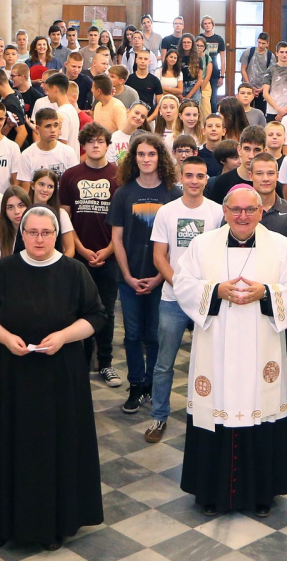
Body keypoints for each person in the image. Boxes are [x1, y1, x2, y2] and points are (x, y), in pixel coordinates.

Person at [0, 207, 107, 551]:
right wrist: (4, 337)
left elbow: (96, 316)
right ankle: (3, 522)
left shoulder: (74, 271)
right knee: (9, 443)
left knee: (55, 447)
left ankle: (55, 524)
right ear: (23, 233)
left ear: (56, 232)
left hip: (59, 376)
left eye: (46, 232)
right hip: (12, 373)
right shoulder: (5, 268)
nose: (39, 239)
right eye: (32, 232)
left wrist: (63, 336)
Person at [171, 185, 287, 517]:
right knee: (214, 409)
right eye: (236, 210)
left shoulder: (281, 246)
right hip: (215, 347)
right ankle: (209, 493)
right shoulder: (203, 245)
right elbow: (182, 283)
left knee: (258, 408)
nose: (243, 216)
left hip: (259, 348)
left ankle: (262, 494)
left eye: (250, 210)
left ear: (261, 211)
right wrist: (216, 290)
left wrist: (267, 292)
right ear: (225, 211)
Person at [145, 157, 223, 442]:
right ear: (181, 177)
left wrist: (202, 290)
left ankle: (210, 414)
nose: (194, 181)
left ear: (206, 179)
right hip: (173, 297)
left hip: (207, 299)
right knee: (164, 362)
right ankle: (159, 417)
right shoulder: (167, 212)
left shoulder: (217, 212)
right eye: (189, 175)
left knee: (211, 361)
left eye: (200, 176)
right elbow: (159, 256)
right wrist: (182, 285)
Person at [109, 133, 181, 413]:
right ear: (133, 158)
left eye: (152, 154)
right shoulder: (123, 192)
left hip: (160, 280)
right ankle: (136, 384)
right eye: (141, 154)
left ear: (160, 157)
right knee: (132, 334)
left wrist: (160, 276)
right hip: (129, 278)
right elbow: (117, 239)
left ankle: (151, 384)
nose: (146, 159)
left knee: (154, 335)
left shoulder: (172, 193)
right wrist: (127, 276)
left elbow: (174, 243)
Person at [60, 123, 122, 386]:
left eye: (100, 141)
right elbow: (65, 218)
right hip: (79, 256)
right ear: (83, 146)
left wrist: (108, 251)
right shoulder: (70, 175)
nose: (95, 146)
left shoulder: (119, 175)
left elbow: (123, 222)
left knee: (106, 312)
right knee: (79, 312)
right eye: (90, 142)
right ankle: (81, 365)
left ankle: (105, 363)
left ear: (108, 145)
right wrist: (82, 250)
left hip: (110, 255)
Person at [18, 108, 79, 187]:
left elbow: (74, 185)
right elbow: (26, 192)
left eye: (56, 125)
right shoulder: (27, 155)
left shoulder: (68, 152)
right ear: (38, 128)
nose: (53, 130)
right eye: (48, 126)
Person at [207, 125, 264, 203]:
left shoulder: (269, 183)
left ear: (265, 152)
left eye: (257, 150)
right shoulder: (221, 182)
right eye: (247, 149)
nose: (251, 156)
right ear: (239, 150)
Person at [249, 153, 287, 239]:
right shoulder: (239, 211)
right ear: (251, 176)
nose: (265, 178)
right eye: (259, 173)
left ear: (277, 176)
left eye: (270, 173)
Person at [28, 168, 77, 256]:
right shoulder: (24, 212)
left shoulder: (61, 214)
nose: (45, 190)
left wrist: (58, 267)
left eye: (50, 186)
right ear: (32, 185)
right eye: (41, 184)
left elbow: (70, 249)